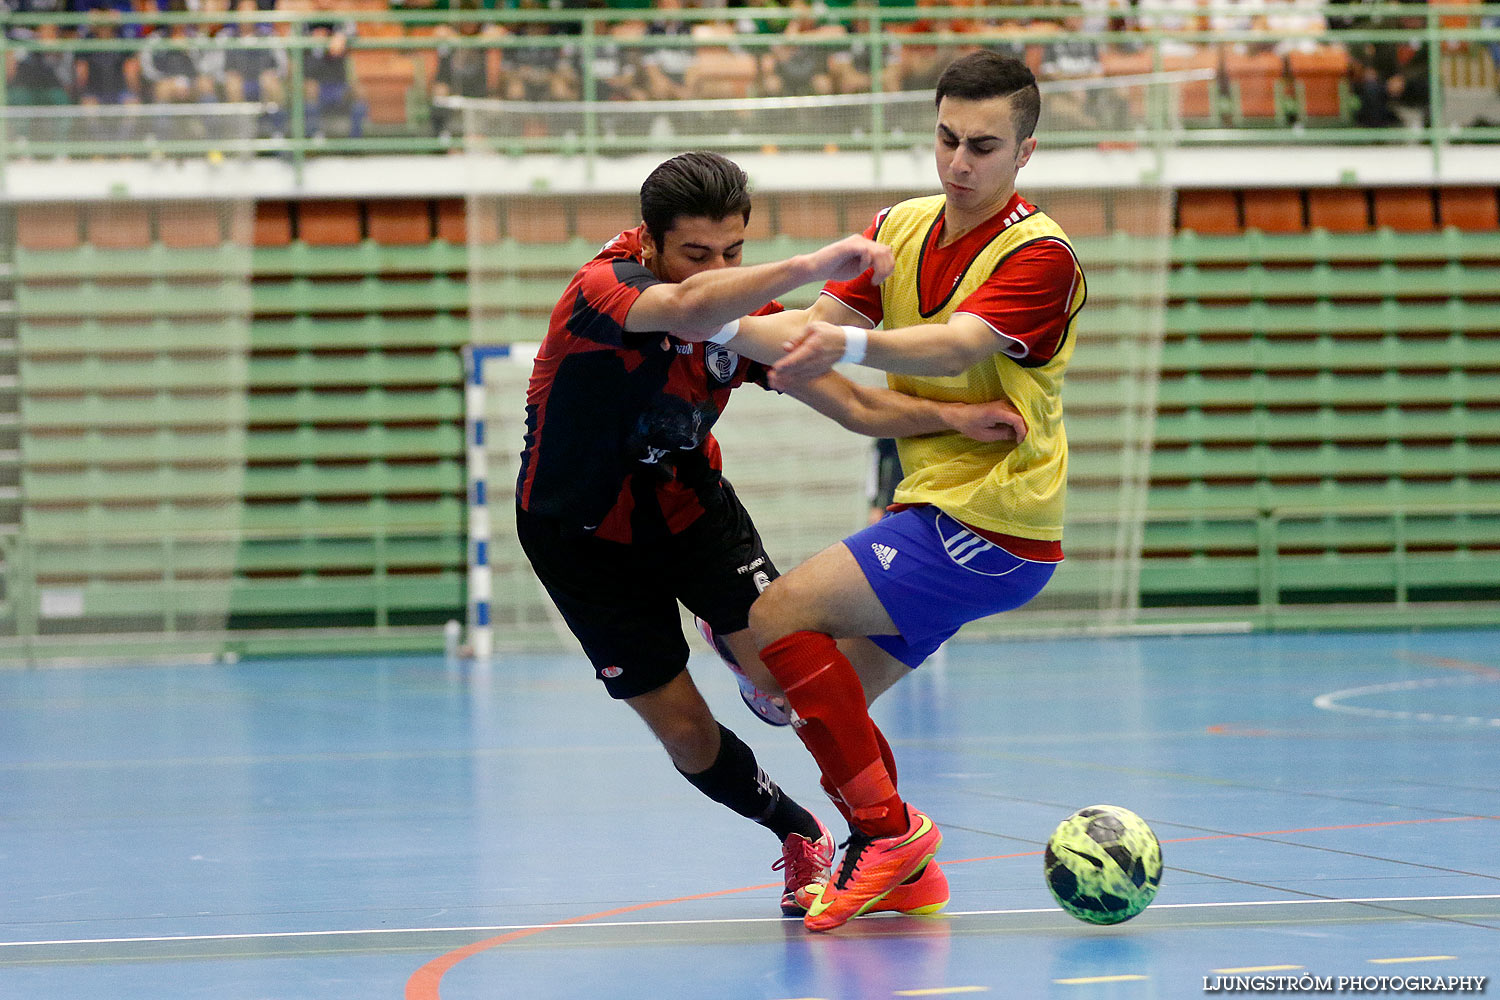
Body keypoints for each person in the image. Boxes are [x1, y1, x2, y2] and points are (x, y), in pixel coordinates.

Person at [515, 150, 1028, 917]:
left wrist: (954, 418)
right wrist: (816, 264)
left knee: (795, 678)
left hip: (691, 512)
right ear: (648, 243)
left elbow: (856, 410)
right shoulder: (604, 291)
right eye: (696, 254)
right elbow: (690, 306)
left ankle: (889, 844)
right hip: (580, 540)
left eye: (732, 252)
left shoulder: (736, 326)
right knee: (688, 735)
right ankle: (797, 832)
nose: (718, 268)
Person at [735, 51, 1087, 932]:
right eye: (946, 139)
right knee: (808, 703)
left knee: (774, 620)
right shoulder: (898, 228)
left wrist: (839, 350)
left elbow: (955, 347)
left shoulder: (1043, 257)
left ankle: (891, 837)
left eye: (983, 146)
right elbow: (810, 341)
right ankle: (903, 870)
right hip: (932, 509)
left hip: (994, 521)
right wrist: (701, 321)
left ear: (1025, 153)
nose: (960, 162)